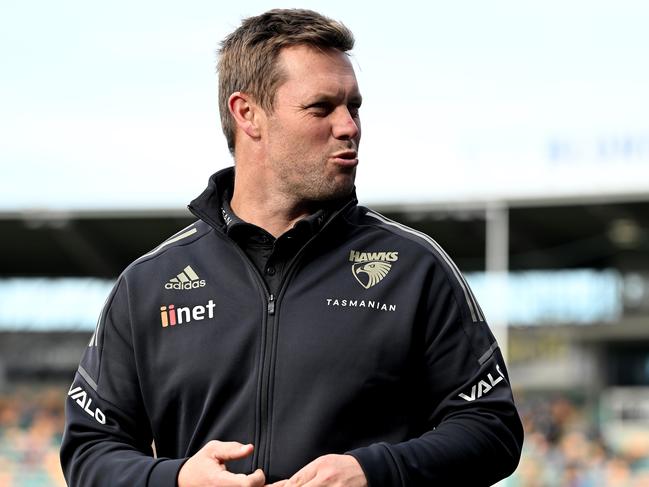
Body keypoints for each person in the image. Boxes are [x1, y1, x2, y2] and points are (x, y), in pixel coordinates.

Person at [60, 8, 523, 487]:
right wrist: (176, 480)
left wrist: (375, 471)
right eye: (321, 108)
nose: (349, 127)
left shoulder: (415, 266)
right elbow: (90, 451)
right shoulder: (149, 283)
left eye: (354, 106)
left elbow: (493, 429)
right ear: (248, 115)